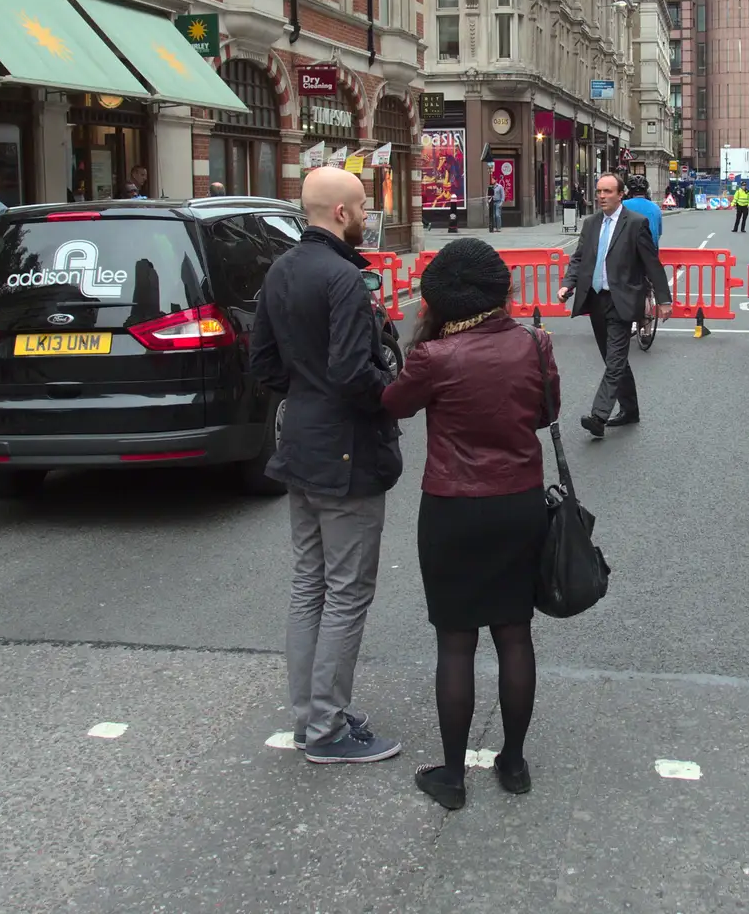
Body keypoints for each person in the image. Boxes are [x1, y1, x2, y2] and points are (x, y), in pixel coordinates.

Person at [381, 239, 554, 810]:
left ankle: (452, 776)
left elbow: (394, 405)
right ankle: (514, 763)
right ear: (499, 289)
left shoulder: (433, 357)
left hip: (453, 506)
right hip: (519, 502)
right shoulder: (534, 342)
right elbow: (547, 413)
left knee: (455, 644)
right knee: (514, 634)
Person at [249, 166, 404, 764]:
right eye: (363, 207)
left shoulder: (281, 268)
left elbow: (263, 364)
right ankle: (327, 731)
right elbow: (352, 372)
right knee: (345, 593)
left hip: (301, 444)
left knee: (308, 586)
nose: (368, 217)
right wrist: (392, 387)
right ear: (341, 213)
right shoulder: (345, 279)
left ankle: (311, 714)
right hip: (347, 452)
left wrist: (303, 393)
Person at [557, 171, 671, 440]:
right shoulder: (591, 223)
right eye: (599, 191)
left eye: (608, 191)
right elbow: (579, 258)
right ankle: (630, 410)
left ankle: (599, 416)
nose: (601, 196)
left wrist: (664, 300)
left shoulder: (636, 223)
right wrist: (567, 284)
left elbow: (651, 263)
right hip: (596, 299)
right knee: (613, 359)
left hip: (622, 298)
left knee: (615, 360)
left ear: (621, 195)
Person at [621, 175, 663, 244]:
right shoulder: (656, 208)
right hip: (650, 251)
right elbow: (658, 235)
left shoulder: (622, 205)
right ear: (647, 191)